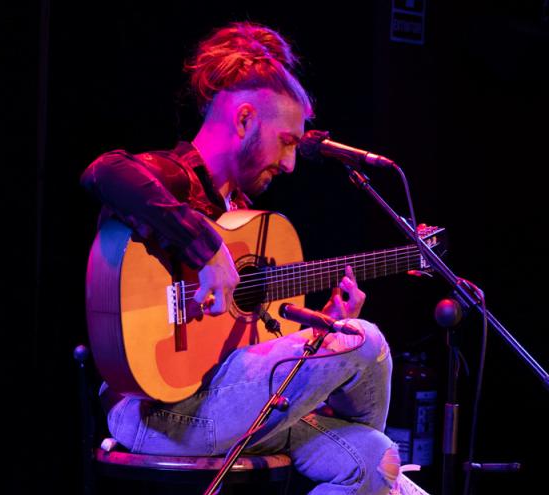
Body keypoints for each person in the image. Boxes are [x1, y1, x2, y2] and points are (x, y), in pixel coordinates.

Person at [81, 22, 409, 494]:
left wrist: (322, 327)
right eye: (288, 141)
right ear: (244, 120)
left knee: (377, 460)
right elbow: (103, 171)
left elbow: (240, 347)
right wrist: (206, 247)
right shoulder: (171, 178)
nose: (291, 164)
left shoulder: (246, 219)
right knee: (365, 341)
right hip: (156, 411)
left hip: (228, 401)